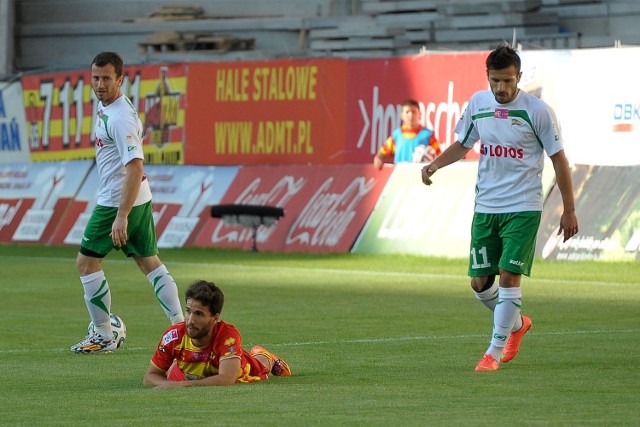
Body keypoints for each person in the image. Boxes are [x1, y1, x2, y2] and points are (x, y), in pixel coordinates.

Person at [421, 42, 578, 371]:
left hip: (523, 207)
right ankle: (518, 324)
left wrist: (569, 208)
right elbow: (463, 144)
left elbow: (559, 160)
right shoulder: (478, 104)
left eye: (508, 81)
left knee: (509, 276)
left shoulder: (537, 111)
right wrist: (434, 165)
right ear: (488, 77)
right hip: (486, 207)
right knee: (479, 283)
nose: (501, 88)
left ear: (518, 77)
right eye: (495, 81)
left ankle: (492, 353)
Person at [71, 52, 184, 354]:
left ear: (120, 80)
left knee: (86, 262)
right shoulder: (110, 106)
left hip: (116, 202)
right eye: (95, 78)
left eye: (106, 78)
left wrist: (121, 216)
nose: (99, 84)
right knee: (149, 262)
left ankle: (104, 334)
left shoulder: (119, 119)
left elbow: (135, 166)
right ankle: (180, 325)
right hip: (139, 198)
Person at [143, 280, 291, 387]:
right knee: (172, 372)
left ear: (215, 318)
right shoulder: (173, 336)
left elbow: (226, 379)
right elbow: (150, 376)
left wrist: (181, 386)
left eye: (199, 314)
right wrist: (167, 384)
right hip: (189, 373)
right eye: (188, 311)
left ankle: (266, 356)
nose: (190, 320)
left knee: (260, 367)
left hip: (241, 373)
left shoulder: (228, 336)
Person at [373, 99, 440, 170]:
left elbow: (439, 155)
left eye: (414, 112)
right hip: (400, 176)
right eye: (407, 112)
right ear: (402, 115)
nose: (411, 115)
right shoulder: (396, 135)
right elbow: (382, 153)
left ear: (420, 115)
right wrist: (378, 159)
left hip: (419, 178)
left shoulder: (428, 135)